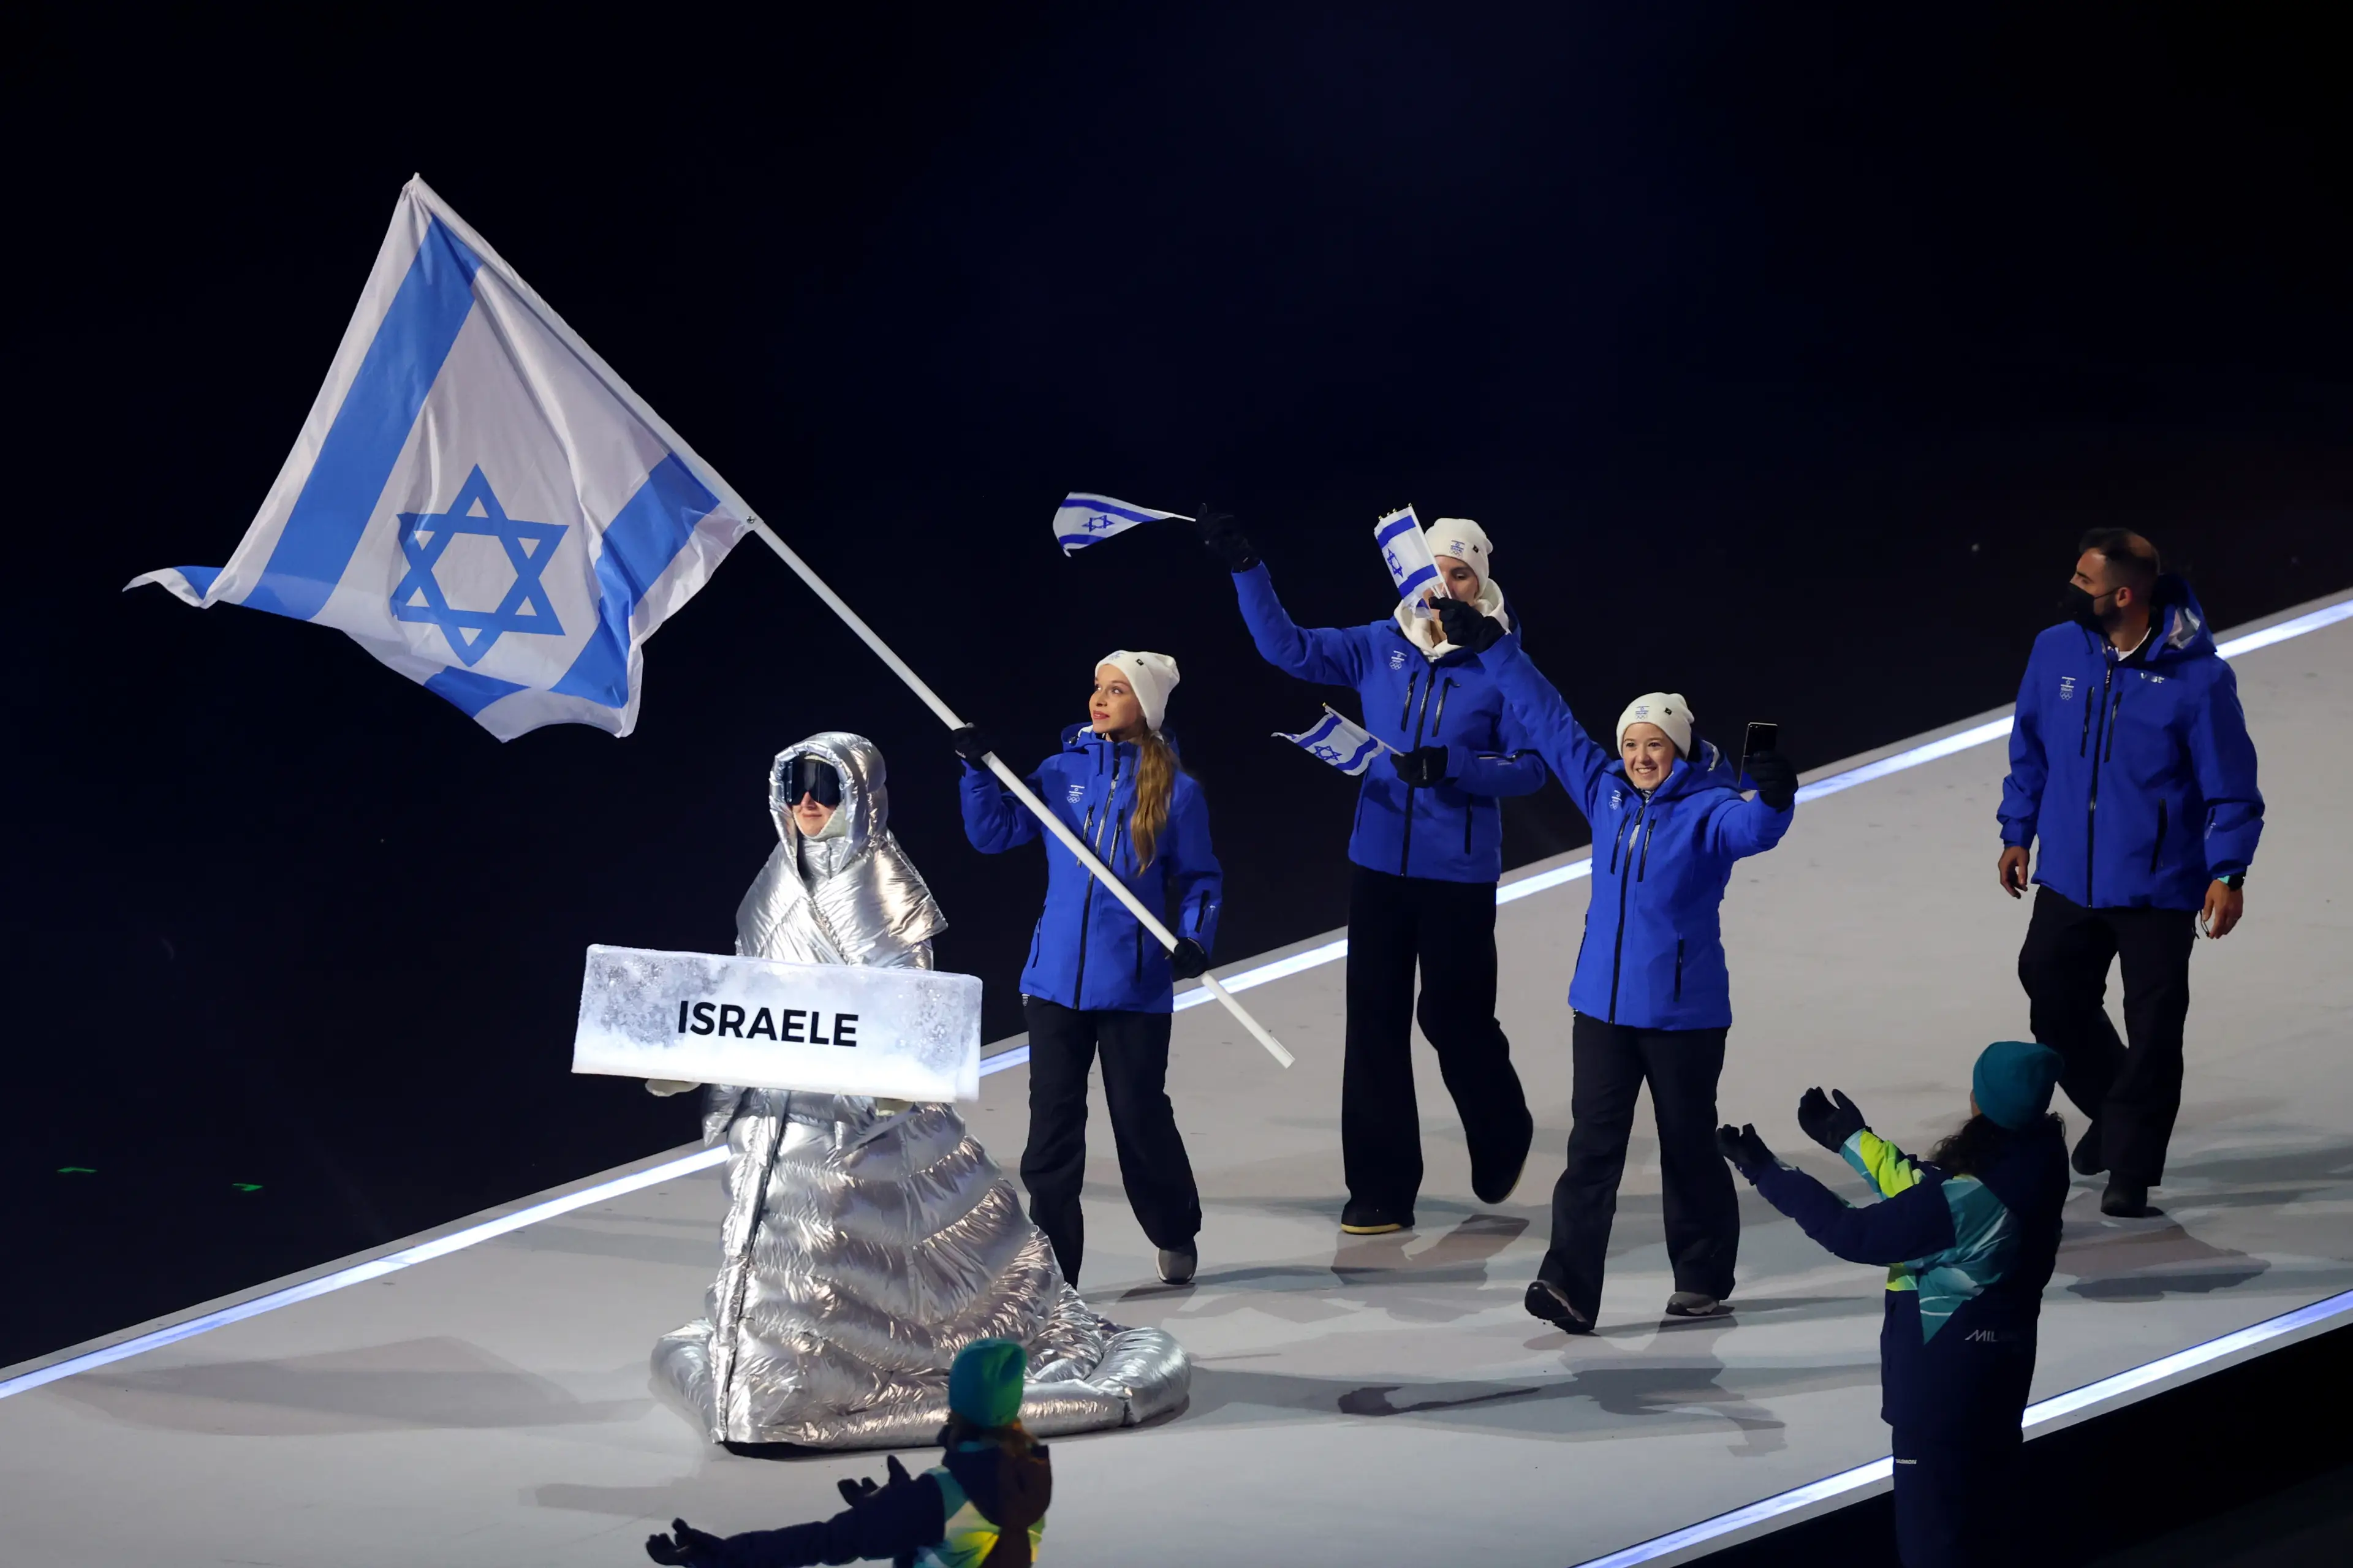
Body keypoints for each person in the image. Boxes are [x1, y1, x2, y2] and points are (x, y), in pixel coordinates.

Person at [648, 735, 1189, 1450]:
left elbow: (908, 1002)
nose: (808, 801)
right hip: (781, 1111)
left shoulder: (880, 881)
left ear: (858, 795)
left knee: (837, 1234)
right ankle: (772, 1376)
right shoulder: (777, 877)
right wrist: (708, 1051)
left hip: (862, 1116)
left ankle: (815, 1380)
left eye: (826, 786)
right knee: (783, 1236)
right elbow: (748, 984)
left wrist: (880, 1082)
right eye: (796, 786)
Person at [1197, 509, 1542, 1235]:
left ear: (1481, 585)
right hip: (1380, 866)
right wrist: (1246, 569)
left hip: (1459, 874)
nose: (1445, 586)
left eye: (1461, 574)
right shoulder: (1379, 643)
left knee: (1454, 1015)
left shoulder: (1502, 664)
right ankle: (1382, 1189)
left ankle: (1502, 1126)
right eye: (1437, 572)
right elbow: (1286, 648)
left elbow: (1535, 768)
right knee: (1375, 1022)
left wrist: (1456, 768)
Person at [1457, 604, 1797, 1328]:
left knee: (1686, 1149)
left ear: (1680, 747)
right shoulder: (1606, 792)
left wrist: (1775, 795)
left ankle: (1702, 1276)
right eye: (1632, 745)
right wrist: (1493, 646)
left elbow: (1755, 830)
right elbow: (1546, 719)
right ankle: (1569, 1287)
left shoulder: (1709, 812)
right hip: (1602, 1013)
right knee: (1591, 1153)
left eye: (1656, 746)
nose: (1642, 757)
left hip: (1683, 1018)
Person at [1716, 1042, 2070, 1568]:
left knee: (1938, 1548)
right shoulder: (2037, 1158)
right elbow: (1929, 1194)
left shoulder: (1973, 1198)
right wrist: (1852, 1141)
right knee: (1991, 1532)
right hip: (1999, 1377)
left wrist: (1767, 1171)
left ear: (1982, 1100)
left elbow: (1855, 1233)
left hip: (1942, 1395)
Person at [1997, 529, 2263, 1217]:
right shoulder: (2056, 649)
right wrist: (2017, 828)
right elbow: (2029, 744)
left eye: (2084, 582)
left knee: (2153, 1030)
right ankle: (2119, 1119)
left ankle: (2132, 1170)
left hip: (2160, 886)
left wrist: (2228, 873)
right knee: (2050, 997)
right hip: (2069, 879)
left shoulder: (2199, 680)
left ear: (2124, 594)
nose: (2071, 591)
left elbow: (2231, 787)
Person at [954, 653, 1221, 1288]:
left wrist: (1195, 938)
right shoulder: (1058, 771)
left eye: (1118, 691)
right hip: (1052, 984)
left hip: (1133, 989)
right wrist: (976, 772)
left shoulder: (1177, 792)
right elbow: (994, 834)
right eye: (1098, 688)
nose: (1099, 699)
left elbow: (1201, 879)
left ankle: (1174, 1226)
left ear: (1146, 707)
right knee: (1051, 1132)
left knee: (1139, 1119)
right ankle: (1055, 1276)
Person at [646, 1338, 1054, 1567]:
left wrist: (723, 1554)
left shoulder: (940, 1495)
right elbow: (969, 1530)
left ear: (958, 1405)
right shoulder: (1028, 1471)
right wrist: (899, 1503)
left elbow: (826, 1540)